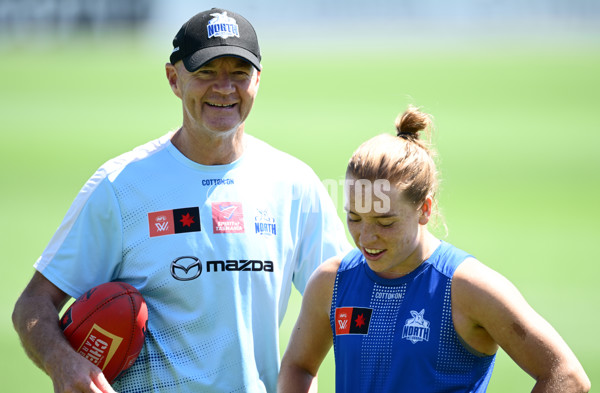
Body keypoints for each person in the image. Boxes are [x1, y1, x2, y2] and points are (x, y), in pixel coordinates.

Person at [12, 8, 350, 393]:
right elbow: (33, 303)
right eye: (206, 71)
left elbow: (346, 301)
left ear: (258, 79)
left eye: (239, 72)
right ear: (174, 79)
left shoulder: (294, 185)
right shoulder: (121, 186)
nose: (224, 87)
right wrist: (62, 362)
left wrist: (303, 371)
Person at [277, 106, 591, 393]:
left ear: (425, 209)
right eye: (354, 218)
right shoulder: (332, 282)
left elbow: (565, 374)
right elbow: (298, 367)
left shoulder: (468, 288)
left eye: (385, 222)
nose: (366, 238)